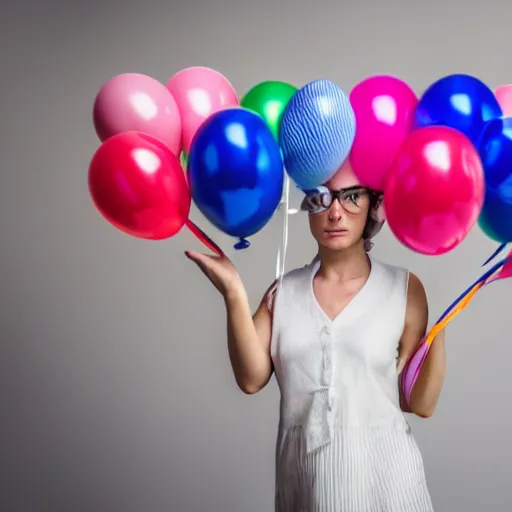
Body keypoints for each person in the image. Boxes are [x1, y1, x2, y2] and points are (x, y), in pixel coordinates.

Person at [185, 159, 446, 512]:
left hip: (390, 489)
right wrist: (232, 290)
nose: (336, 213)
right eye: (321, 198)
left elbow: (418, 403)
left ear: (374, 204)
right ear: (306, 204)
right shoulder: (284, 292)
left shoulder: (404, 288)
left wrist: (441, 332)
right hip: (308, 490)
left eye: (352, 197)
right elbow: (251, 378)